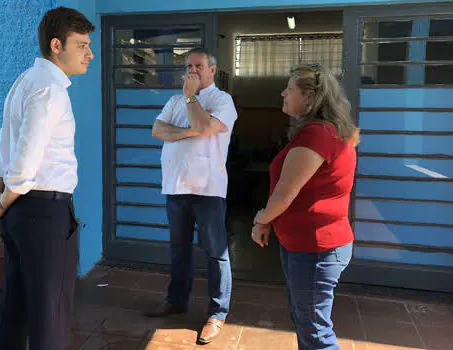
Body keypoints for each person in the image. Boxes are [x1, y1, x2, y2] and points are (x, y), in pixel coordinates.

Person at [0, 7, 95, 349]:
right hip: (43, 215)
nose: (89, 54)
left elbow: (3, 149)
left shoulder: (25, 81)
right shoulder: (50, 90)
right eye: (82, 45)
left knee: (15, 307)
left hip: (20, 215)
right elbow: (25, 163)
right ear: (57, 45)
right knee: (50, 314)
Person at [251, 63, 359, 350]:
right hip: (307, 244)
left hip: (316, 248)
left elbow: (285, 194)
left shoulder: (317, 135)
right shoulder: (326, 131)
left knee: (316, 333)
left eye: (290, 88)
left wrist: (261, 219)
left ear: (310, 97)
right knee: (306, 322)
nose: (283, 92)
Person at [145, 48, 237, 344]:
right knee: (178, 249)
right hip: (175, 187)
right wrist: (191, 131)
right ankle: (176, 300)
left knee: (216, 253)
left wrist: (191, 101)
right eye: (188, 66)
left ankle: (218, 313)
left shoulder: (223, 101)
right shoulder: (174, 100)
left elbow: (202, 124)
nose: (192, 70)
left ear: (212, 69)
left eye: (198, 66)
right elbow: (157, 130)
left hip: (207, 190)